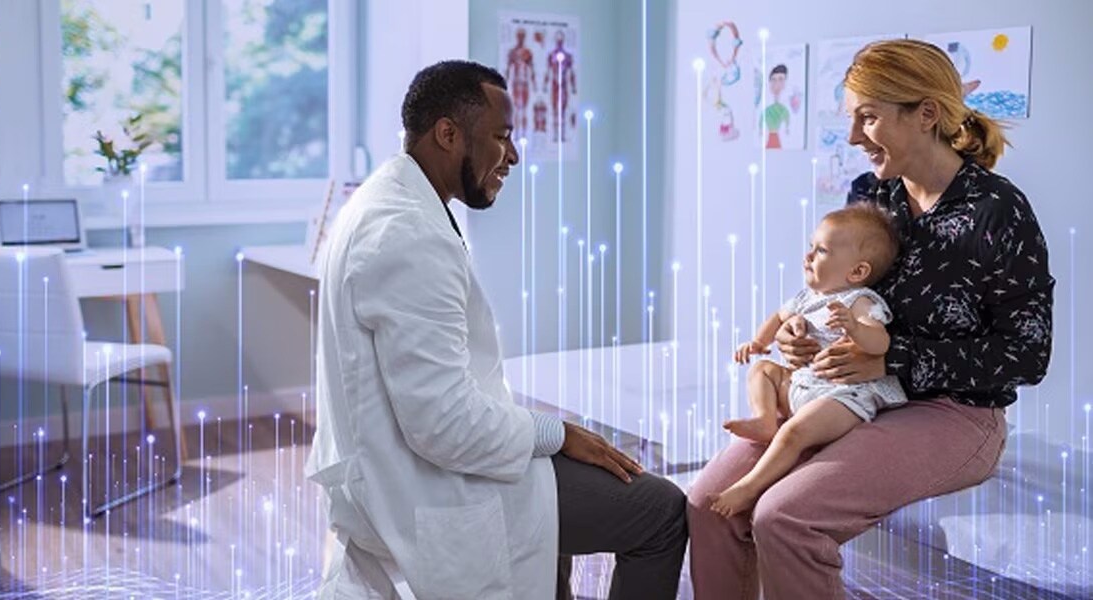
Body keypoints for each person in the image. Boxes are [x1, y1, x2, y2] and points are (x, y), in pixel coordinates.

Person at [687, 38, 1054, 599]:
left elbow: (1028, 354)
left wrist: (889, 356)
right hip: (844, 395)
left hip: (954, 411)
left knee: (784, 517)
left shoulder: (998, 212)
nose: (855, 137)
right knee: (709, 504)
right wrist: (804, 335)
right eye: (851, 119)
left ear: (926, 114)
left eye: (868, 118)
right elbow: (845, 291)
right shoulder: (871, 195)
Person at [306, 60, 687, 600]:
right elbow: (442, 426)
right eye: (502, 137)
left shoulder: (387, 201)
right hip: (430, 484)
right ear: (448, 133)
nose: (512, 155)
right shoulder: (407, 234)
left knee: (553, 526)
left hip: (404, 463)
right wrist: (555, 433)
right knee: (662, 511)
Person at [712, 204, 906, 517]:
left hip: (841, 395)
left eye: (821, 251)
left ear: (857, 272)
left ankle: (750, 486)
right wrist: (760, 342)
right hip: (806, 381)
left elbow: (880, 342)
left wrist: (855, 328)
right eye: (810, 247)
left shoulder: (859, 301)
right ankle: (764, 418)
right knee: (762, 370)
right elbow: (778, 316)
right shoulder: (807, 297)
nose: (808, 256)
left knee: (793, 434)